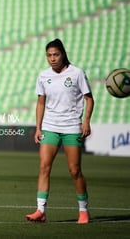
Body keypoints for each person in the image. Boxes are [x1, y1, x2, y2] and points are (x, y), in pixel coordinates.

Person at [26, 38, 94, 224]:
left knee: (74, 170)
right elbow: (41, 102)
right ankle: (41, 210)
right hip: (50, 126)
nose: (52, 58)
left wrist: (86, 121)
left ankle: (83, 210)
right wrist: (38, 127)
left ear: (63, 54)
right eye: (49, 55)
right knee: (44, 167)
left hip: (72, 126)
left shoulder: (77, 73)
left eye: (56, 55)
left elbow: (89, 99)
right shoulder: (43, 75)